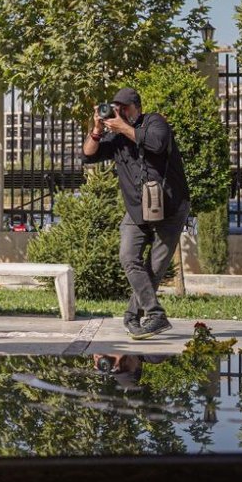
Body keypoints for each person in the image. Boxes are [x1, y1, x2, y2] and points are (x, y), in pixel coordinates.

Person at [83, 87, 190, 339]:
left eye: (124, 107)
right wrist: (97, 130)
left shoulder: (155, 122)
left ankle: (134, 316)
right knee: (128, 257)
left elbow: (156, 143)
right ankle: (155, 314)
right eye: (115, 107)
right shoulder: (115, 136)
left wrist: (122, 127)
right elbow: (88, 155)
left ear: (137, 108)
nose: (119, 111)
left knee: (154, 268)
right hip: (136, 209)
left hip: (171, 207)